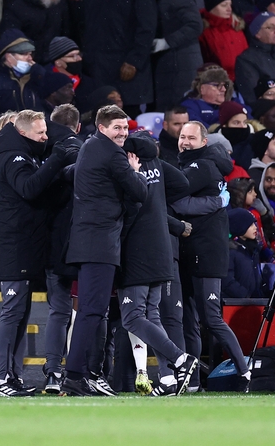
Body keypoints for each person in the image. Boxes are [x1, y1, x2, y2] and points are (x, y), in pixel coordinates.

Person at [62, 105, 148, 396]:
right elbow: (140, 192)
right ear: (101, 127)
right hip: (100, 244)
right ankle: (75, 375)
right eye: (117, 128)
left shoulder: (88, 147)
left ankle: (80, 374)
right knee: (91, 312)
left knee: (90, 312)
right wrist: (138, 172)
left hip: (86, 240)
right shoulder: (112, 154)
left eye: (125, 128)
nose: (123, 133)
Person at [0, 109, 66, 397]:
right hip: (12, 248)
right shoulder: (14, 157)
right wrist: (57, 159)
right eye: (40, 133)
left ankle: (13, 377)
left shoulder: (17, 155)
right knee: (12, 314)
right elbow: (29, 188)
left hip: (21, 247)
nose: (45, 137)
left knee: (20, 314)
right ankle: (1, 380)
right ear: (22, 133)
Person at [116, 130, 198, 397]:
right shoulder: (157, 165)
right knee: (153, 315)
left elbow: (126, 212)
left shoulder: (126, 168)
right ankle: (168, 378)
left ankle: (180, 359)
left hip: (137, 252)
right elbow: (183, 183)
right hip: (163, 249)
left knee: (131, 318)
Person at [172, 120, 251, 392]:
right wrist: (215, 202)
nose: (185, 141)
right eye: (182, 136)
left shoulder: (202, 166)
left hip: (207, 253)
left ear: (204, 142)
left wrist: (210, 203)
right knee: (190, 321)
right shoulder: (190, 164)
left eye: (191, 137)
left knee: (211, 318)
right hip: (190, 251)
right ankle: (192, 382)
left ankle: (244, 372)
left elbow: (174, 195)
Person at [42, 104, 81, 394]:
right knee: (94, 311)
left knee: (59, 310)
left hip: (50, 243)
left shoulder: (41, 151)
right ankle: (87, 371)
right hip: (84, 242)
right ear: (77, 127)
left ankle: (53, 371)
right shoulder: (85, 151)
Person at [81, 0, 157, 116]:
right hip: (95, 65)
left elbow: (147, 27)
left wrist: (134, 60)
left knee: (127, 119)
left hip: (126, 67)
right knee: (98, 116)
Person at [0, 29, 42, 156]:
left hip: (36, 142)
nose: (30, 58)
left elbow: (49, 107)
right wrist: (15, 135)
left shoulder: (36, 78)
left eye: (30, 54)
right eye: (24, 54)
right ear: (8, 57)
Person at [152, 0, 203, 111]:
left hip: (181, 64)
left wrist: (167, 42)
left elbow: (195, 25)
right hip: (171, 63)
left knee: (178, 110)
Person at [199, 0, 248, 81]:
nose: (229, 9)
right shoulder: (204, 32)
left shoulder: (237, 27)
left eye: (230, 5)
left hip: (244, 82)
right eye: (224, 5)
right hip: (220, 84)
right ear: (212, 7)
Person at [223, 208, 264, 299]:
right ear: (240, 227)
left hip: (253, 303)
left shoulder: (253, 250)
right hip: (235, 304)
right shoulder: (230, 251)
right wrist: (245, 295)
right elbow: (227, 281)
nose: (255, 227)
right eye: (251, 225)